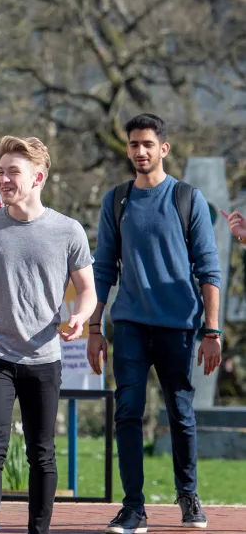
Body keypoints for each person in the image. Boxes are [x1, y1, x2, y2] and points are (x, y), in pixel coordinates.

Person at [0, 135, 96, 534]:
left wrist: (79, 317)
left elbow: (88, 292)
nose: (3, 179)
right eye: (0, 171)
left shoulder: (68, 231)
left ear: (38, 177)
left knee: (41, 453)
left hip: (44, 357)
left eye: (13, 172)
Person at [88, 113, 221, 534]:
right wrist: (95, 329)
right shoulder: (116, 201)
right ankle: (133, 508)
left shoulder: (187, 198)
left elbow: (209, 269)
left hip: (178, 326)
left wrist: (212, 330)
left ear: (163, 148)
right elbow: (103, 268)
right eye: (133, 144)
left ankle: (188, 495)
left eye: (147, 144)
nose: (139, 151)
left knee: (181, 414)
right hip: (128, 323)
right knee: (127, 411)